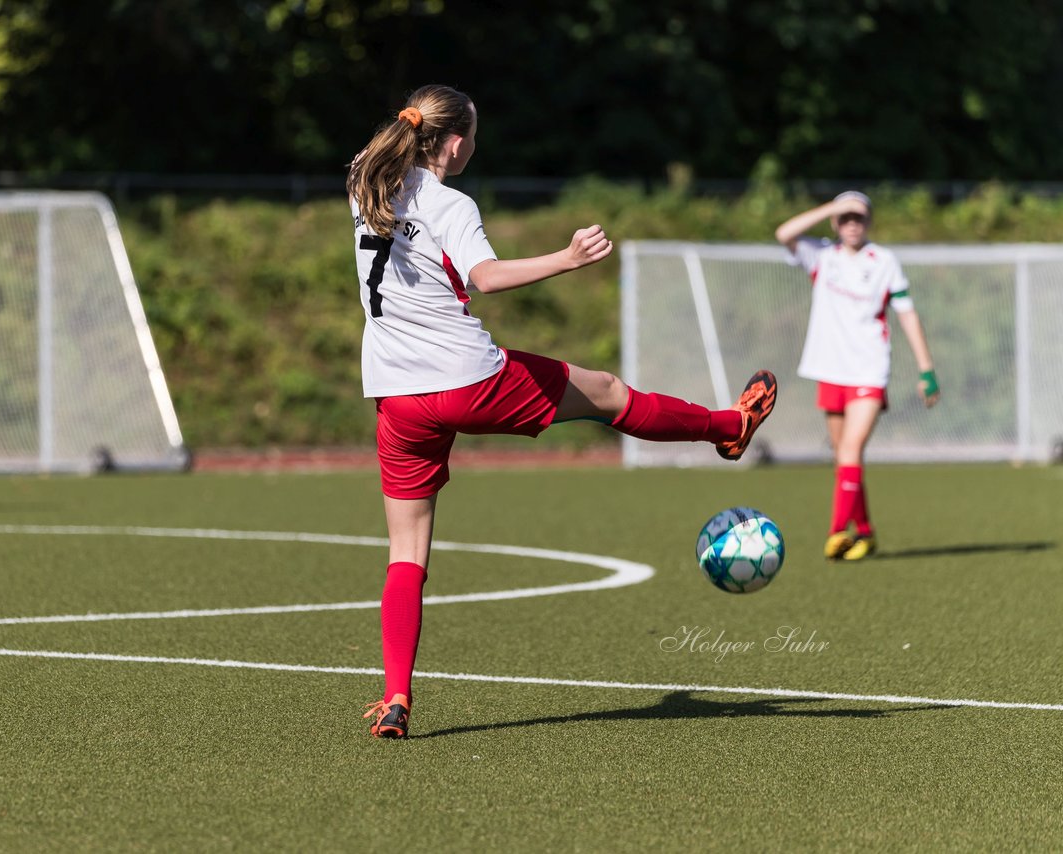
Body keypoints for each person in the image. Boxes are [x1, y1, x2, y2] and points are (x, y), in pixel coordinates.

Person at [348, 84, 777, 739]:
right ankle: (729, 428)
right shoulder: (449, 202)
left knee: (405, 552)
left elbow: (380, 168)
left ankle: (397, 699)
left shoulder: (366, 182)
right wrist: (570, 258)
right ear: (457, 142)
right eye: (474, 134)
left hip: (397, 399)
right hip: (466, 380)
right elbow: (486, 276)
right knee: (605, 392)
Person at [775, 191, 939, 562]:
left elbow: (907, 314)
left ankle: (837, 533)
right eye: (845, 217)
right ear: (834, 221)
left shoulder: (883, 261)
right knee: (843, 457)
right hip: (829, 369)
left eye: (859, 217)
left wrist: (926, 368)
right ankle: (865, 533)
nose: (852, 223)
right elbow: (784, 233)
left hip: (869, 368)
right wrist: (832, 207)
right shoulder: (821, 255)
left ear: (869, 222)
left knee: (851, 450)